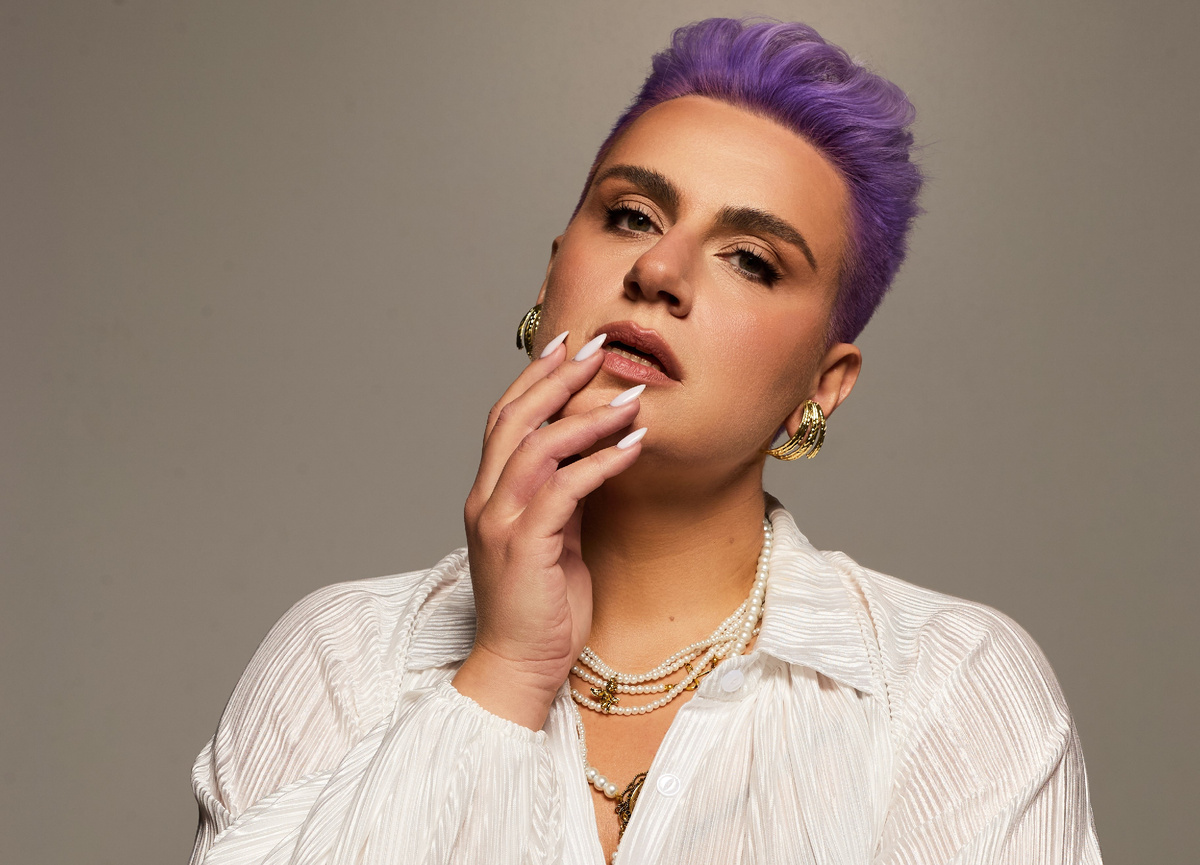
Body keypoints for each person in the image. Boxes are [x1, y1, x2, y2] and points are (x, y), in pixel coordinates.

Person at [188, 18, 1101, 865]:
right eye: (631, 215)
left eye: (752, 260)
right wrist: (503, 674)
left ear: (821, 387)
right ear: (551, 277)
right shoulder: (342, 658)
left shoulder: (948, 688)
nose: (659, 270)